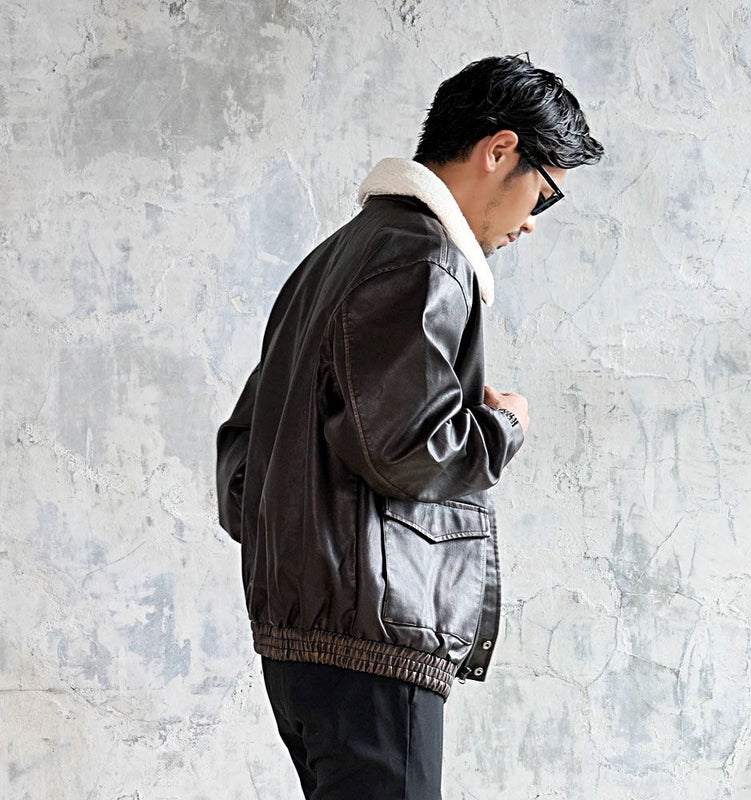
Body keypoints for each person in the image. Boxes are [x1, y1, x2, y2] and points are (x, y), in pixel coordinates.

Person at [216, 53, 603, 800]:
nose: (531, 223)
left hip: (299, 643)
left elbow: (243, 463)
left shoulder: (331, 260)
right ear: (500, 150)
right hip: (371, 643)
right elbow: (407, 447)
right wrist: (501, 426)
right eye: (545, 195)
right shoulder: (423, 258)